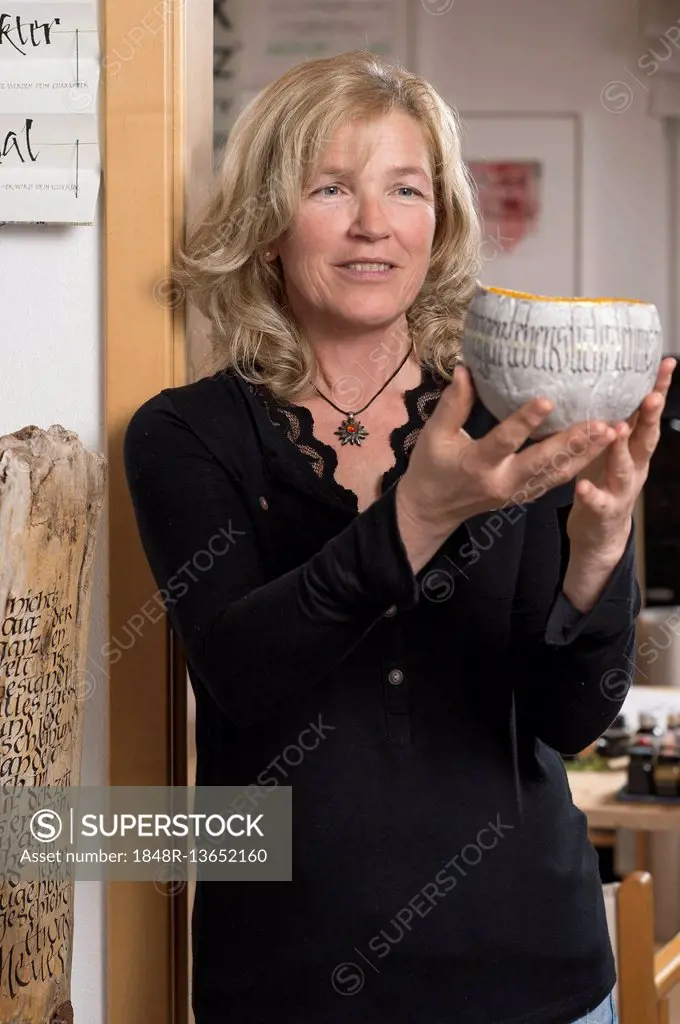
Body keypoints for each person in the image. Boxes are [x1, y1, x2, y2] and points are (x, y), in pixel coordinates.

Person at [123, 49, 675, 1024]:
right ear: (264, 227)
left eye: (404, 189)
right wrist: (417, 514)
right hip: (291, 987)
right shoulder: (186, 434)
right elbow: (238, 678)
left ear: (440, 224)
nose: (372, 223)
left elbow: (566, 720)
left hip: (537, 978)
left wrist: (599, 550)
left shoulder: (517, 411)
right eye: (329, 187)